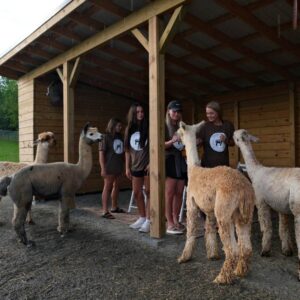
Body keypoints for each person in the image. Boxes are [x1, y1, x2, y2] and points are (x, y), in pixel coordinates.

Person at [125, 102, 150, 233]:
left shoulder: (148, 126)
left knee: (149, 192)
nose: (140, 114)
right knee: (137, 192)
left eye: (142, 112)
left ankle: (149, 221)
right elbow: (127, 150)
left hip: (147, 166)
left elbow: (153, 146)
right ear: (133, 114)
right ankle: (142, 216)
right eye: (137, 112)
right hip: (135, 166)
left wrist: (152, 163)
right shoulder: (129, 129)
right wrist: (127, 167)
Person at [165, 100, 187, 235]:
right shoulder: (163, 125)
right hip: (168, 160)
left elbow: (186, 143)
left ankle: (176, 219)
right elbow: (158, 145)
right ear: (168, 111)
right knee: (169, 193)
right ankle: (169, 222)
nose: (176, 114)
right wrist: (172, 141)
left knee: (179, 192)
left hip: (180, 161)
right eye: (174, 111)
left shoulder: (182, 126)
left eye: (178, 112)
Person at [99, 118, 125, 219]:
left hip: (118, 166)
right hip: (109, 167)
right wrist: (103, 168)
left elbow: (122, 152)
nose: (120, 127)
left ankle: (114, 207)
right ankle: (105, 211)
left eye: (120, 126)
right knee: (107, 187)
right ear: (112, 126)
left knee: (117, 186)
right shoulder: (105, 137)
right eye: (118, 126)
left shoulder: (121, 137)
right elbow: (101, 154)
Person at [198, 101, 235, 168]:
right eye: (207, 113)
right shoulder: (205, 126)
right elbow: (199, 144)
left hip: (223, 166)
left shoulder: (228, 125)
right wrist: (198, 142)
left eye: (211, 113)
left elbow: (233, 143)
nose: (209, 116)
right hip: (207, 166)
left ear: (218, 112)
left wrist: (226, 140)